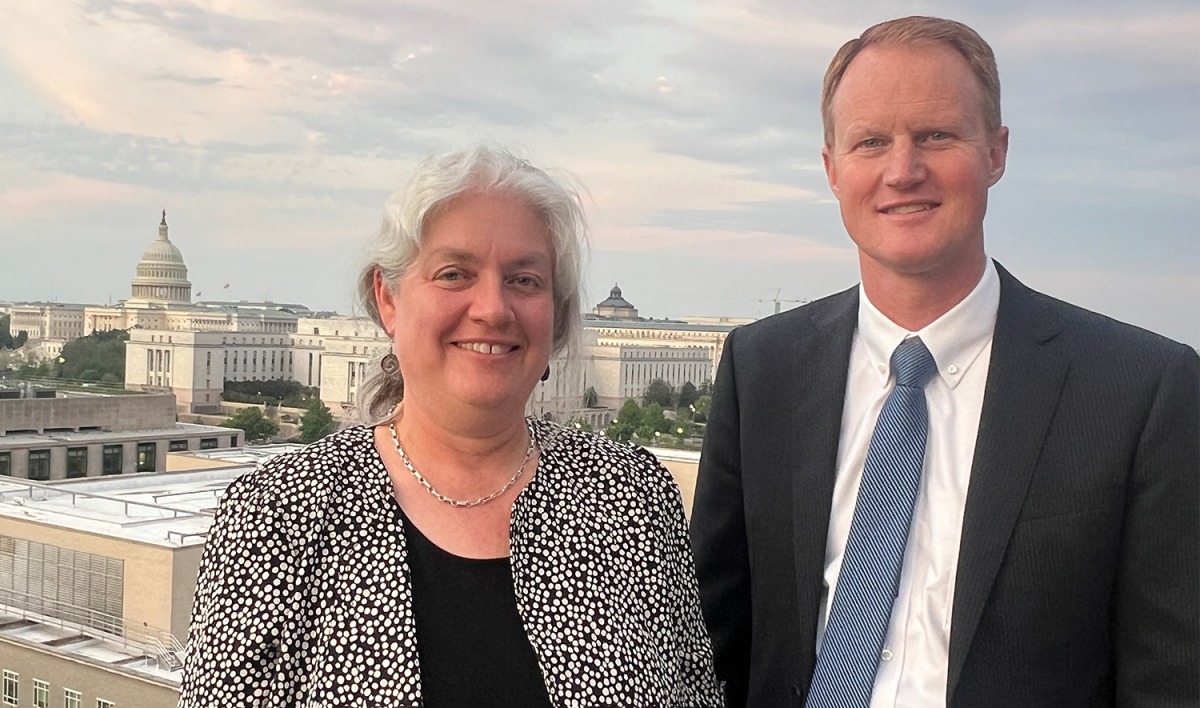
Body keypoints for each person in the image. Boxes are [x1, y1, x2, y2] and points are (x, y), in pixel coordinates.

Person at [690, 16, 1200, 708]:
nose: (903, 170)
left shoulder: (1139, 392)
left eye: (936, 135)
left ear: (996, 152)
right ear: (833, 169)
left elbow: (1170, 678)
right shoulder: (762, 370)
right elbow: (711, 641)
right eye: (871, 141)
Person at [179, 146, 723, 707]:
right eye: (454, 273)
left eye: (525, 280)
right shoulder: (279, 515)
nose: (492, 308)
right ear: (387, 298)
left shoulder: (631, 499)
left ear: (556, 316)